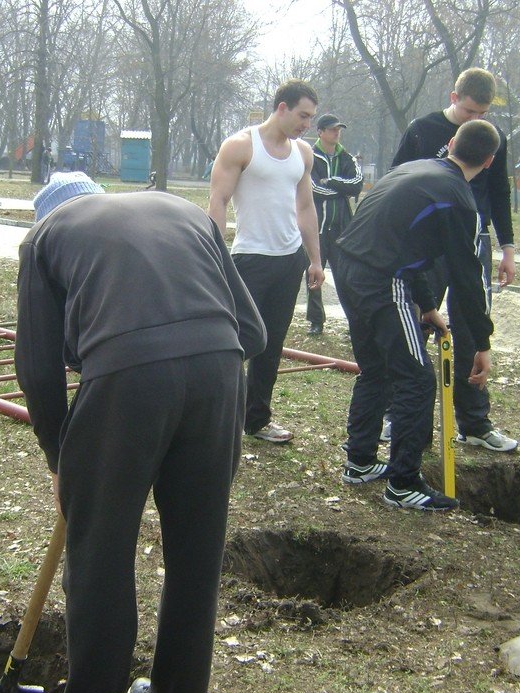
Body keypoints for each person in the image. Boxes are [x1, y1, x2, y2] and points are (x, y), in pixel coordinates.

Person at [5, 173, 266, 693]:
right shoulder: (184, 211)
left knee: (98, 560)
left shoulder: (43, 237)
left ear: (46, 214)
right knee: (196, 556)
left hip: (126, 381)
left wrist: (58, 457)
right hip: (221, 377)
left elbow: (38, 370)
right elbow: (252, 330)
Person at [333, 120, 500, 511]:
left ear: (451, 143)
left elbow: (411, 247)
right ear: (490, 161)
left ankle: (358, 462)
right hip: (380, 278)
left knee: (376, 369)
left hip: (347, 266)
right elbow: (466, 275)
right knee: (418, 380)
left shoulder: (414, 169)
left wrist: (426, 306)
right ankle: (403, 483)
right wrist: (482, 343)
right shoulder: (458, 198)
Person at [390, 67, 518, 452]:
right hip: (428, 243)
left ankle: (475, 423)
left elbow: (499, 192)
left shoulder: (492, 139)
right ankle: (398, 415)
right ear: (453, 99)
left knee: (472, 326)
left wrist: (507, 247)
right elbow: (399, 179)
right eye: (468, 113)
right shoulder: (421, 129)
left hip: (471, 238)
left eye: (482, 114)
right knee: (416, 323)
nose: (475, 121)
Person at [208, 78, 324, 444]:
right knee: (234, 342)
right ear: (282, 108)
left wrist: (315, 260)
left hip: (289, 261)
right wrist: (215, 256)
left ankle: (256, 420)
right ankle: (217, 418)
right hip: (248, 260)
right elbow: (218, 202)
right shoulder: (241, 146)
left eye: (311, 118)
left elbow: (305, 207)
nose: (307, 124)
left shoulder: (302, 153)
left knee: (271, 344)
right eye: (303, 116)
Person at [306, 113, 362, 335]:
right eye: (332, 129)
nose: (336, 132)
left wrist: (331, 181)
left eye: (338, 129)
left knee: (347, 277)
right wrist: (341, 190)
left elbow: (356, 185)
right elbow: (313, 189)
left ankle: (354, 321)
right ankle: (316, 321)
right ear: (320, 132)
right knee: (314, 275)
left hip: (342, 229)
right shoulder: (309, 157)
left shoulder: (347, 158)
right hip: (317, 227)